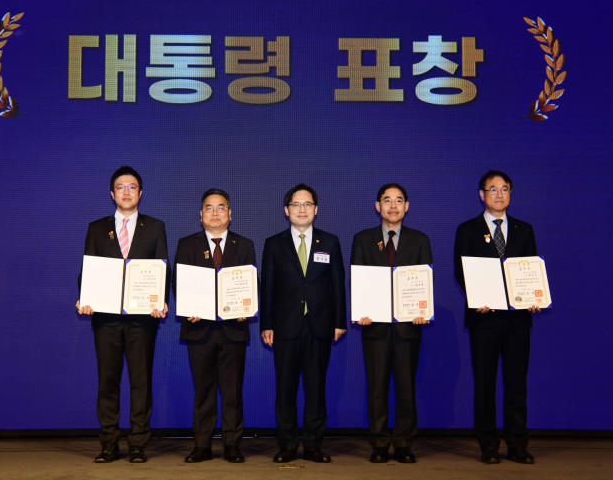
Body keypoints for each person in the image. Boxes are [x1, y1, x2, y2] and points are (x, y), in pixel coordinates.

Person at [76, 166, 170, 464]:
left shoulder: (155, 227)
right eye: (120, 187)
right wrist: (85, 298)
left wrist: (161, 300)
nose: (126, 192)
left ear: (141, 193)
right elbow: (88, 270)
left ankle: (138, 443)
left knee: (141, 381)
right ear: (112, 193)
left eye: (132, 187)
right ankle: (109, 443)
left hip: (142, 318)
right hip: (106, 318)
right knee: (108, 380)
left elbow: (162, 269)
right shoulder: (96, 228)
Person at [454, 170, 541, 465]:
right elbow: (461, 271)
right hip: (484, 319)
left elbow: (530, 268)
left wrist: (533, 296)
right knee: (485, 385)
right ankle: (488, 445)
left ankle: (518, 445)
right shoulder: (467, 230)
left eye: (504, 189)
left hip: (517, 320)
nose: (499, 194)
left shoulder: (524, 229)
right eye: (493, 189)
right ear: (482, 195)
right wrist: (476, 297)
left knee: (517, 385)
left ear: (510, 194)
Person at [260, 184, 347, 463]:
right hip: (284, 326)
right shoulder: (274, 244)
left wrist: (339, 321)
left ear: (316, 210)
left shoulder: (330, 242)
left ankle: (312, 445)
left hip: (320, 325)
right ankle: (287, 445)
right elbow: (267, 287)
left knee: (316, 388)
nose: (302, 209)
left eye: (307, 204)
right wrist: (266, 324)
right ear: (286, 211)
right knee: (285, 389)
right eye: (296, 204)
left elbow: (338, 284)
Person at [351, 183, 433, 464]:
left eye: (399, 200)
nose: (393, 205)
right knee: (377, 388)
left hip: (408, 327)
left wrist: (422, 309)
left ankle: (403, 443)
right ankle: (379, 442)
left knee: (406, 387)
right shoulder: (363, 239)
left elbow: (426, 280)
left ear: (406, 206)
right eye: (387, 200)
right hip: (374, 327)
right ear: (378, 206)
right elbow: (358, 280)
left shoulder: (419, 240)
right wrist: (362, 310)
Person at [173, 189, 255, 464]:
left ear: (230, 214)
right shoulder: (187, 244)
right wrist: (189, 307)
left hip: (234, 329)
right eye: (209, 208)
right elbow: (179, 282)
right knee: (204, 391)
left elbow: (251, 283)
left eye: (221, 207)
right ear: (201, 215)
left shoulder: (244, 245)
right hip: (200, 329)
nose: (215, 213)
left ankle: (232, 444)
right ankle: (202, 445)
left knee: (232, 391)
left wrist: (246, 307)